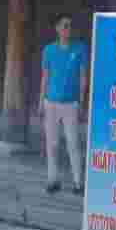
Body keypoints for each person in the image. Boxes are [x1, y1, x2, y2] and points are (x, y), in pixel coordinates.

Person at [40, 14, 90, 193]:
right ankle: (53, 180)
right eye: (64, 26)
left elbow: (84, 77)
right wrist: (41, 100)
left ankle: (78, 182)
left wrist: (82, 102)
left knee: (73, 143)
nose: (67, 29)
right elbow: (45, 77)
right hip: (51, 103)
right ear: (57, 28)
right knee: (51, 143)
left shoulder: (80, 49)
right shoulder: (48, 50)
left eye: (69, 26)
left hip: (70, 104)